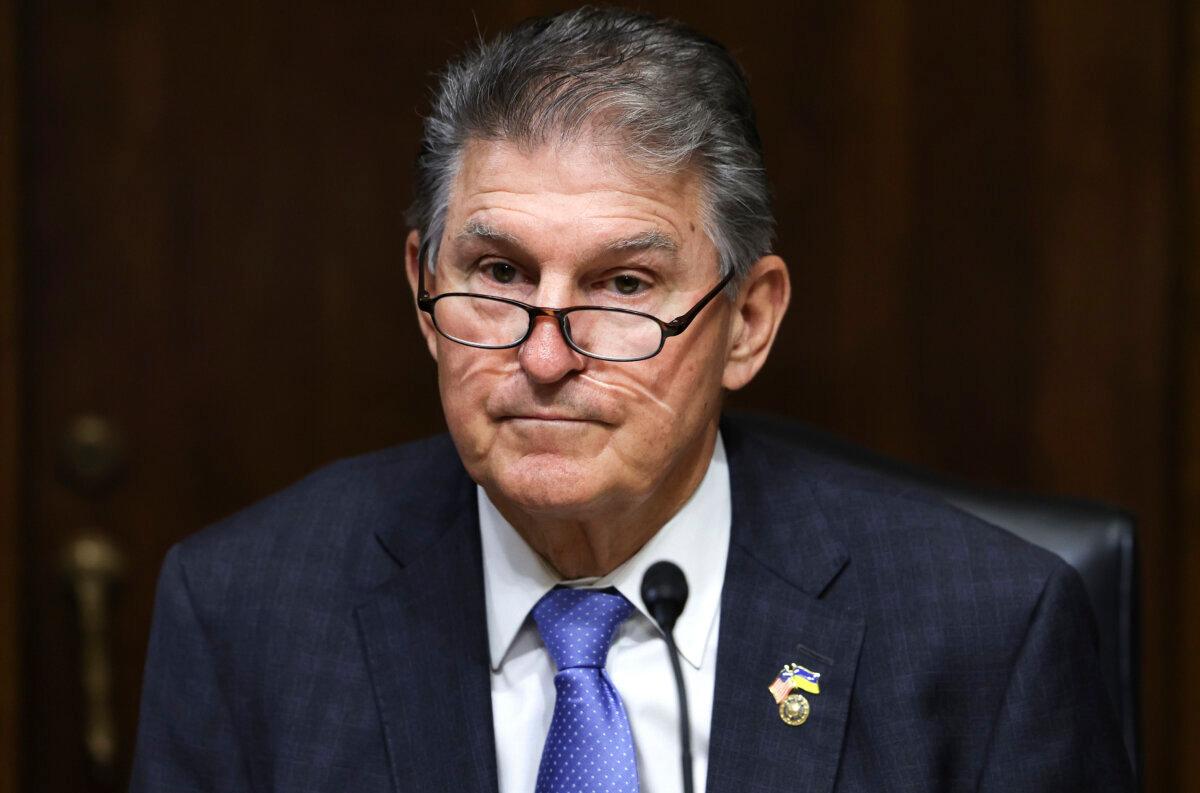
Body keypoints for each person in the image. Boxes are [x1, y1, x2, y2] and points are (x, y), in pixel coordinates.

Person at [130, 7, 1133, 793]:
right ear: (423, 291)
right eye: (499, 271)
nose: (546, 353)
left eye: (623, 287)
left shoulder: (984, 633)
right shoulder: (246, 613)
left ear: (748, 321)